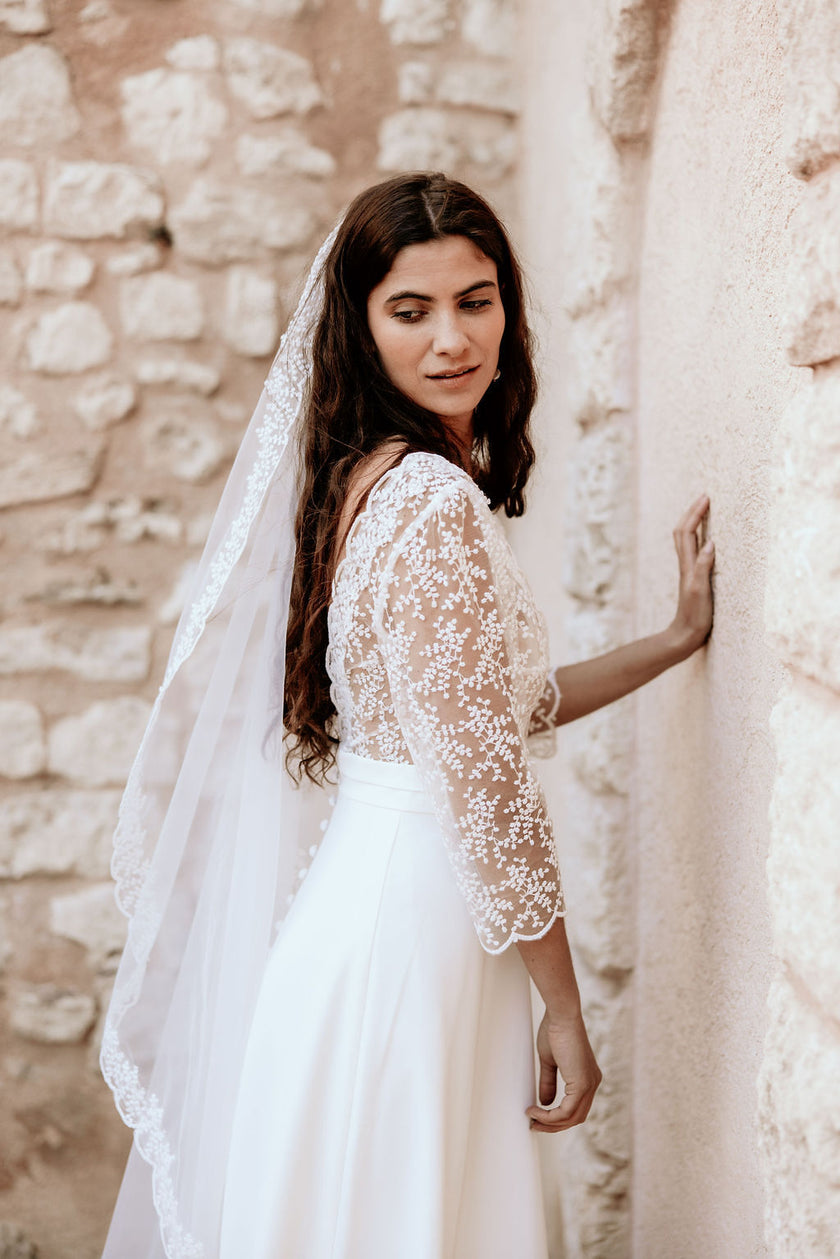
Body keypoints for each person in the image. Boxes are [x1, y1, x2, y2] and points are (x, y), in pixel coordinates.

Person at [100, 172, 714, 1259]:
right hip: (416, 929)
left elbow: (491, 711)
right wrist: (564, 1004)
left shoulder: (373, 477)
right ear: (360, 322)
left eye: (476, 300)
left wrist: (671, 639)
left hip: (385, 909)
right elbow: (483, 783)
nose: (452, 340)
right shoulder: (430, 499)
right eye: (411, 310)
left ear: (508, 307)